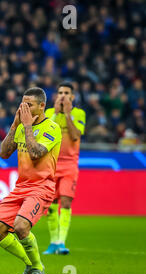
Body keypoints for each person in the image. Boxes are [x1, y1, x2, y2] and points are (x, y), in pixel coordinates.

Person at [0, 87, 62, 274]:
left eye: (28, 105)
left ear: (42, 106)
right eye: (22, 104)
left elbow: (36, 153)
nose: (24, 108)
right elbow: (4, 153)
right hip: (21, 187)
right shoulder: (20, 127)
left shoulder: (51, 128)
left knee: (21, 226)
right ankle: (29, 265)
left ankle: (38, 268)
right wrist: (14, 126)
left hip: (41, 187)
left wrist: (27, 126)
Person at [43, 82, 86, 255]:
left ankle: (61, 242)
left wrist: (67, 115)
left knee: (66, 201)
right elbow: (44, 135)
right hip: (51, 164)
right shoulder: (48, 113)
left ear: (72, 97)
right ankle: (53, 242)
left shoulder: (78, 113)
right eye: (60, 92)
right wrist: (55, 114)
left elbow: (76, 136)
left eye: (66, 93)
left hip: (69, 164)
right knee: (51, 203)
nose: (62, 95)